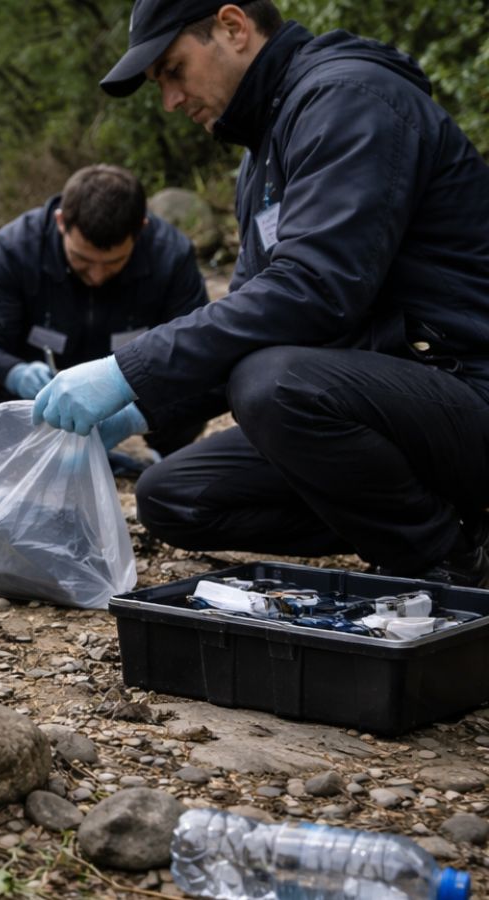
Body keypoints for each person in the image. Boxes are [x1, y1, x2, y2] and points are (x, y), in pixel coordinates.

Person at [31, 0, 489, 584]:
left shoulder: (351, 100)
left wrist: (125, 367)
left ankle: (447, 559)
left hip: (467, 389)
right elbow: (249, 318)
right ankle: (423, 517)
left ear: (232, 26)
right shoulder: (264, 152)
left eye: (173, 70)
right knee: (175, 496)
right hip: (391, 408)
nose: (170, 100)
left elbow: (314, 290)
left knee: (273, 384)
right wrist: (140, 407)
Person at [0, 163, 208, 467]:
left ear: (141, 229)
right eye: (82, 259)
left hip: (128, 389)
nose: (97, 275)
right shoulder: (16, 247)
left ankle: (160, 457)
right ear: (61, 221)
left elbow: (198, 357)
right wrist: (15, 373)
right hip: (42, 396)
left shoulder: (173, 255)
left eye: (114, 262)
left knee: (190, 392)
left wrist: (134, 415)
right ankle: (32, 460)